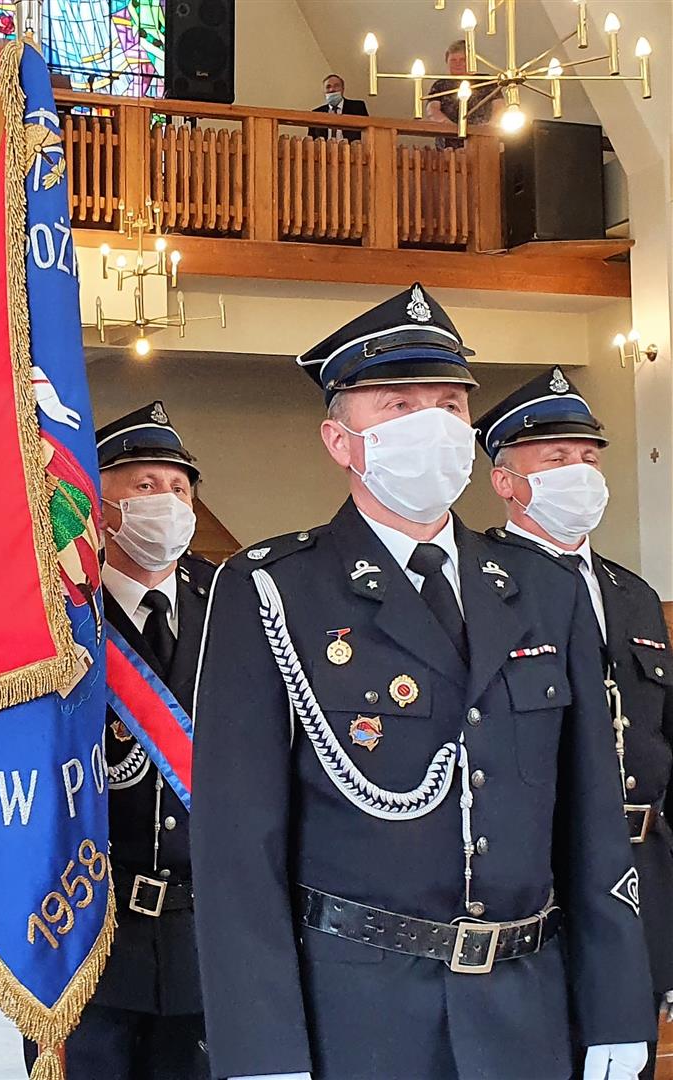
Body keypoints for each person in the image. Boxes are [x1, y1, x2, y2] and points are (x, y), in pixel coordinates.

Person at [191, 283, 656, 1080]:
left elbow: (592, 820)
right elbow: (238, 846)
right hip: (357, 1018)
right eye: (400, 406)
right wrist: (261, 1049)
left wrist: (615, 1005)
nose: (433, 425)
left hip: (526, 1009)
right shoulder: (274, 589)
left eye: (448, 404)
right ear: (340, 441)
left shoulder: (542, 589)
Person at [474, 367, 673, 1080]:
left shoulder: (633, 593)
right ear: (506, 481)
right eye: (556, 458)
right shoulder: (482, 585)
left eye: (589, 457)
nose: (580, 473)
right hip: (542, 877)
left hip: (642, 874)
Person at [20, 401, 214, 1079]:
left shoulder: (234, 600)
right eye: (145, 485)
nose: (168, 503)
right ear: (100, 506)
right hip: (80, 922)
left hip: (203, 936)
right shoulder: (54, 610)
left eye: (179, 488)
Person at [426, 40, 501, 148]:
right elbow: (432, 110)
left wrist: (489, 127)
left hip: (484, 141)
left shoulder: (486, 81)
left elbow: (499, 107)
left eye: (463, 60)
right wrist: (450, 126)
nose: (458, 63)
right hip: (449, 144)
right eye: (453, 60)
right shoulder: (440, 85)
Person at [307, 74, 368, 142]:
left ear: (343, 89)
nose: (332, 89)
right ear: (324, 91)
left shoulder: (357, 107)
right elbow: (311, 140)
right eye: (328, 87)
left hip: (351, 147)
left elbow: (367, 132)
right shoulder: (316, 113)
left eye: (336, 86)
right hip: (325, 148)